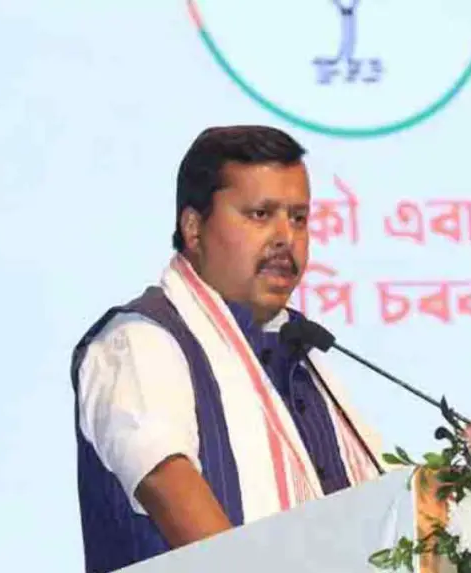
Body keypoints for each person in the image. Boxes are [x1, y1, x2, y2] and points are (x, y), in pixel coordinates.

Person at [69, 125, 383, 572]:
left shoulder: (300, 354)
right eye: (260, 214)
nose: (286, 237)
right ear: (194, 228)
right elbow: (175, 498)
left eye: (298, 218)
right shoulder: (141, 341)